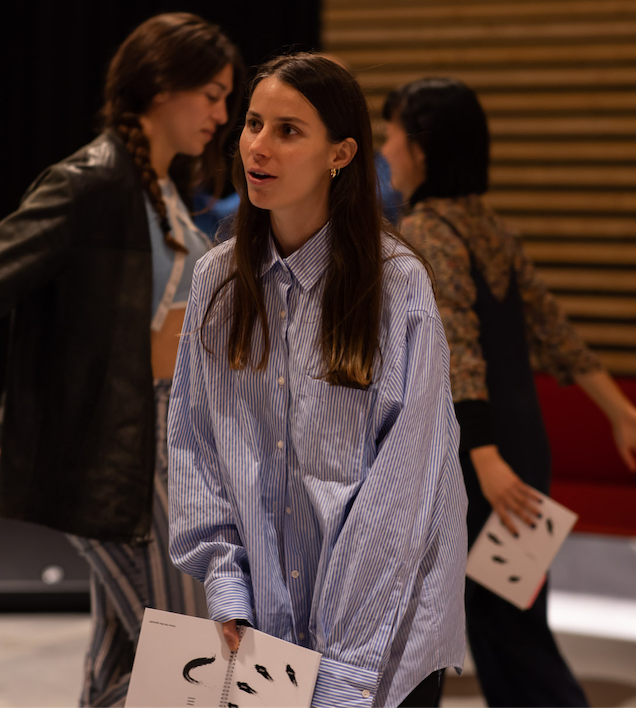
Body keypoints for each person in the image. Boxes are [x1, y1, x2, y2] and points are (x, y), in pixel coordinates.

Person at [166, 53, 468, 708]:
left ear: (342, 153)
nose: (258, 147)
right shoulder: (219, 279)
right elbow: (196, 450)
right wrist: (228, 594)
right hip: (259, 631)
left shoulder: (396, 285)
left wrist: (341, 674)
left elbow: (402, 500)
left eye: (288, 130)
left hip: (379, 640)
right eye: (252, 123)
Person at [381, 77, 636, 708]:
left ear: (423, 148)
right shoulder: (493, 230)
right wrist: (622, 414)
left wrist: (484, 462)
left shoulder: (429, 231)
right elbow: (557, 334)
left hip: (482, 464)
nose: (386, 149)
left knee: (500, 630)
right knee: (509, 622)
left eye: (392, 134)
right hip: (523, 453)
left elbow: (460, 355)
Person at [0, 12, 244, 708]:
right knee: (192, 652)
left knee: (129, 657)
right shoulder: (92, 181)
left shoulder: (155, 187)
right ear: (164, 85)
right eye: (214, 94)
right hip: (126, 452)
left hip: (166, 441)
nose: (222, 115)